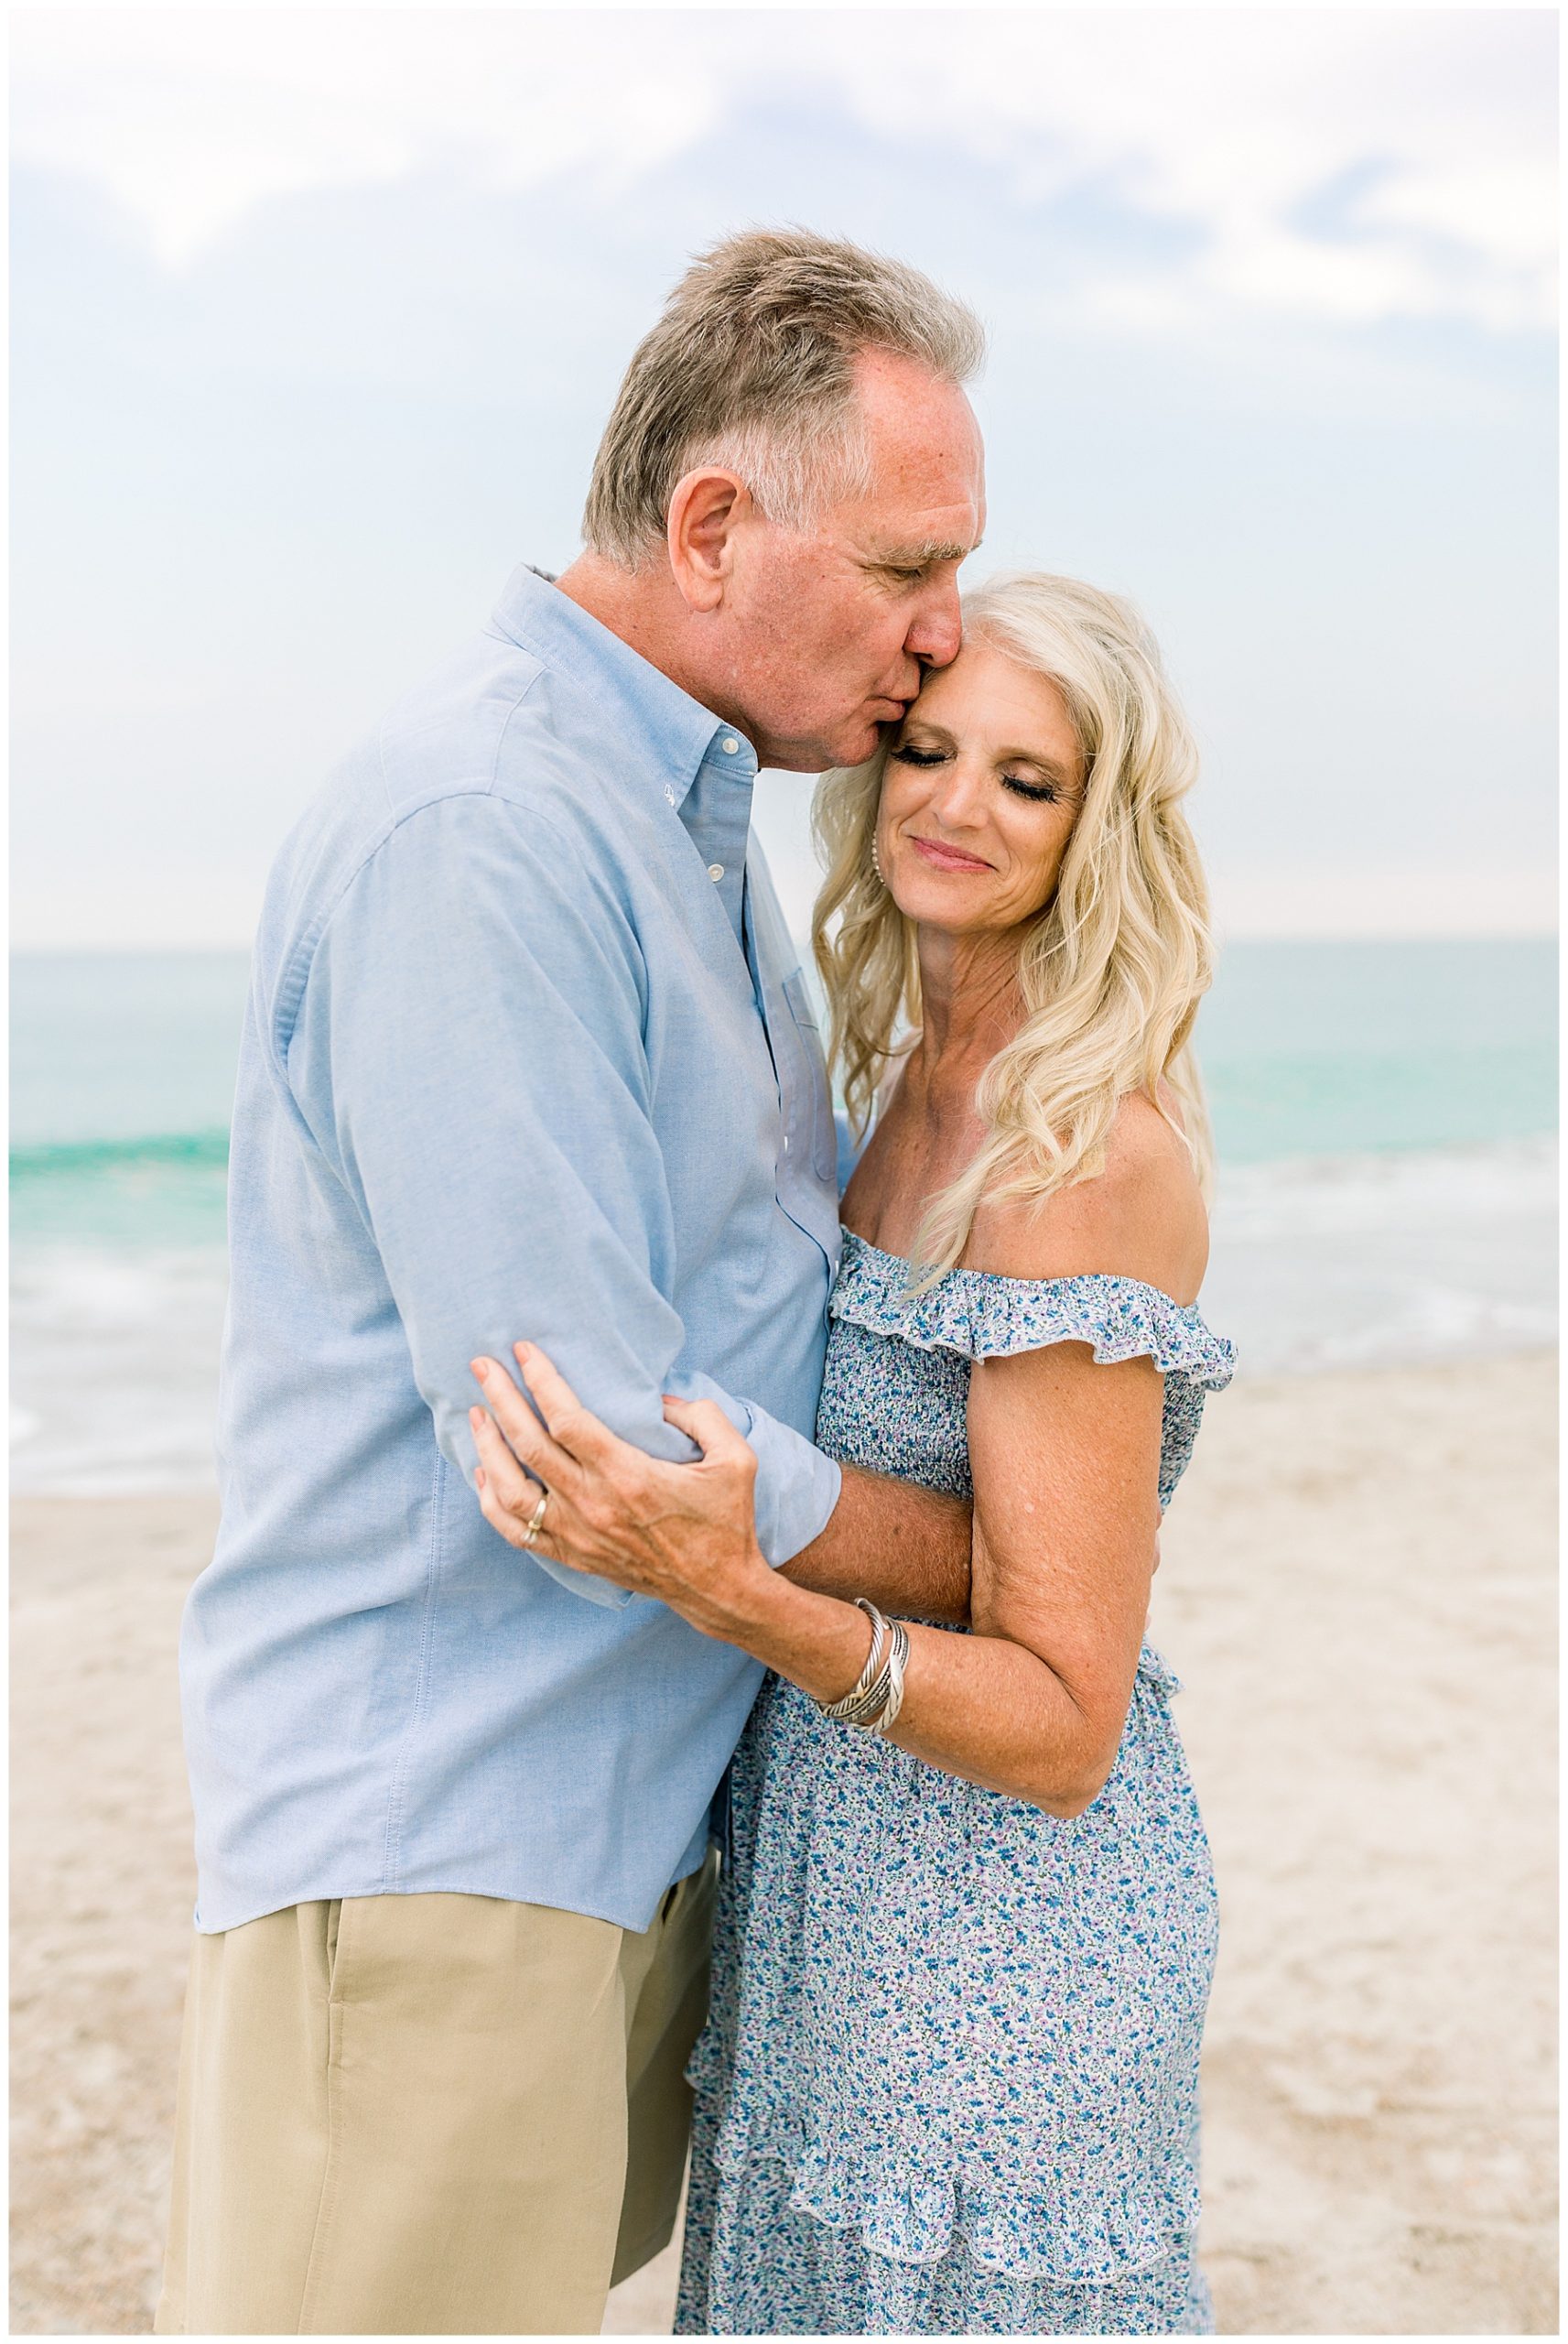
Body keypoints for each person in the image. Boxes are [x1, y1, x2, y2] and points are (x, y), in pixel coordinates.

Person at [156, 229, 991, 2336]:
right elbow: (593, 1438)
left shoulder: (689, 827)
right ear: (713, 523)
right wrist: (967, 1563)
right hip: (450, 1842)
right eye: (905, 568)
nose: (941, 636)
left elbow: (744, 1312)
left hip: (610, 1848)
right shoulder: (489, 823)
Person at [469, 570, 1237, 2335]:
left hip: (1003, 1938)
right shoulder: (897, 1063)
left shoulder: (1072, 1157)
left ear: (1097, 826)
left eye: (1027, 780)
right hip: (829, 1883)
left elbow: (1062, 1718)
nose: (957, 805)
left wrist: (735, 1592)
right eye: (928, 749)